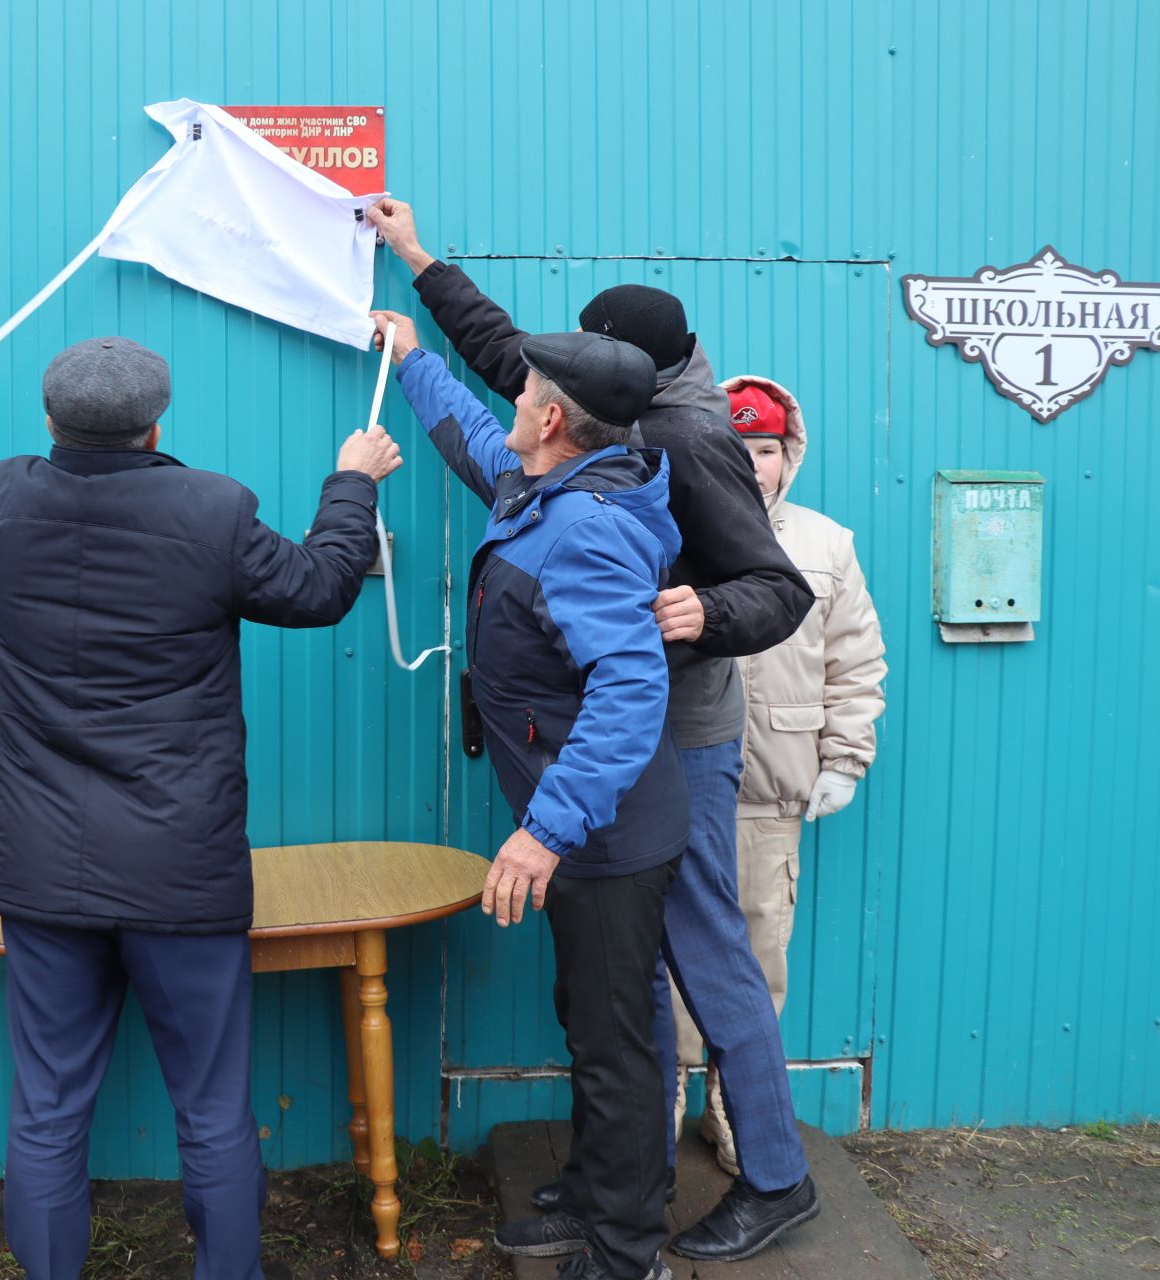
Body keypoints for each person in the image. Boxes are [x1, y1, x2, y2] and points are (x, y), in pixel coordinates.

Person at [368, 197, 821, 1263]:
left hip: (681, 732)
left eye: (552, 378)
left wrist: (705, 612)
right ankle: (628, 1179)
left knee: (700, 956)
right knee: (619, 992)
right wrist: (420, 266)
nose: (534, 384)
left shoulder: (688, 446)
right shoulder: (592, 429)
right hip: (607, 744)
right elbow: (502, 378)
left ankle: (774, 1174)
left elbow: (776, 590)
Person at [0, 334, 400, 1280]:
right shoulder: (211, 511)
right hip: (183, 870)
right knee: (214, 1107)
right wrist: (352, 481)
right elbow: (320, 586)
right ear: (156, 426)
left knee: (48, 1108)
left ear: (49, 421)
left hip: (44, 870)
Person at [377, 312, 685, 1280]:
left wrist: (545, 831)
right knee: (589, 1013)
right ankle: (599, 1186)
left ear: (553, 419)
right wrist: (414, 360)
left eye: (523, 393)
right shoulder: (544, 485)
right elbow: (476, 435)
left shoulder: (585, 529)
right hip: (585, 825)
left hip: (606, 831)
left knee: (615, 1040)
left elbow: (632, 692)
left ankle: (628, 1248)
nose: (511, 399)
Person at [671, 376, 887, 1172]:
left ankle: (736, 1117)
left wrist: (843, 758)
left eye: (766, 449)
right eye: (738, 448)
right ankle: (658, 1109)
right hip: (680, 786)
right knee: (668, 963)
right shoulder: (675, 526)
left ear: (786, 455)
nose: (753, 465)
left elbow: (855, 661)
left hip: (770, 793)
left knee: (758, 956)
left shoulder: (825, 543)